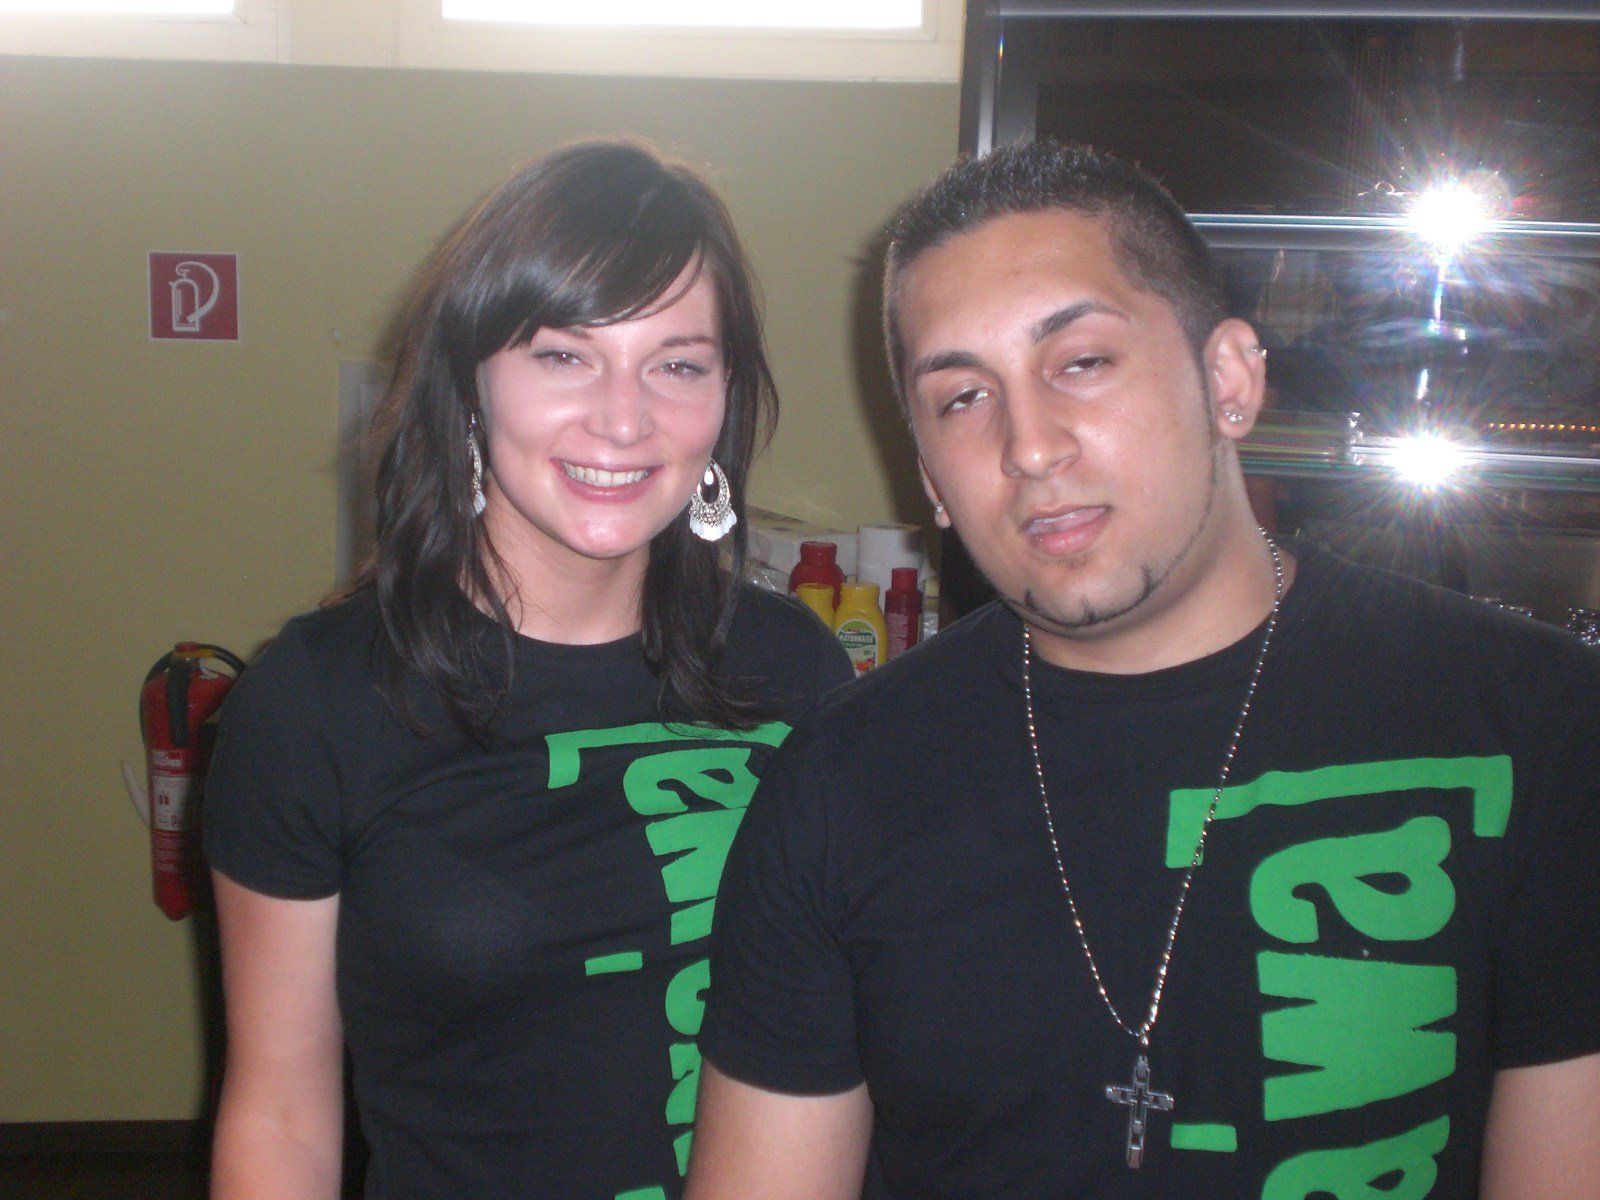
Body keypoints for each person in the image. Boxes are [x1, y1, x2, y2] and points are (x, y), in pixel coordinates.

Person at [686, 142, 1600, 1199]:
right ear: (929, 475)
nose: (1030, 447)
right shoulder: (841, 781)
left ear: (1229, 381)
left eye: (1081, 362)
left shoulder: (1532, 721)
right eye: (963, 398)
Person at [202, 139, 853, 1200]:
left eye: (678, 364)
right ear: (468, 383)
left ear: (726, 397)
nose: (623, 418)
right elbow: (280, 1121)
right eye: (563, 355)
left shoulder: (797, 669)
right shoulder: (316, 703)